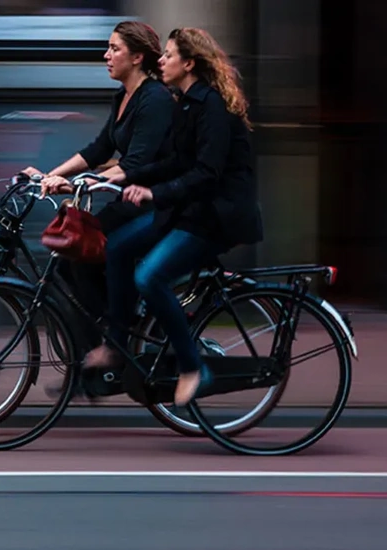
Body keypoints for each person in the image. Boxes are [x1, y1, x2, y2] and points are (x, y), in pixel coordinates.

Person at [82, 27, 264, 408]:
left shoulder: (211, 106)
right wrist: (128, 176)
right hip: (187, 209)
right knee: (116, 247)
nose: (160, 61)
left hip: (215, 217)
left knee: (149, 276)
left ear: (189, 63)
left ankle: (194, 367)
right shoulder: (185, 102)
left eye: (168, 55)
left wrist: (153, 193)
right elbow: (175, 161)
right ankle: (117, 345)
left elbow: (206, 173)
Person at [21, 20, 176, 346]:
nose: (106, 55)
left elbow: (135, 164)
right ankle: (105, 346)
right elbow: (99, 149)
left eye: (114, 49)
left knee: (86, 254)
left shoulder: (155, 99)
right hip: (129, 201)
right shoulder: (123, 95)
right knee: (69, 260)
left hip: (157, 203)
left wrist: (79, 184)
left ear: (136, 57)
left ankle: (119, 337)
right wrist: (53, 174)